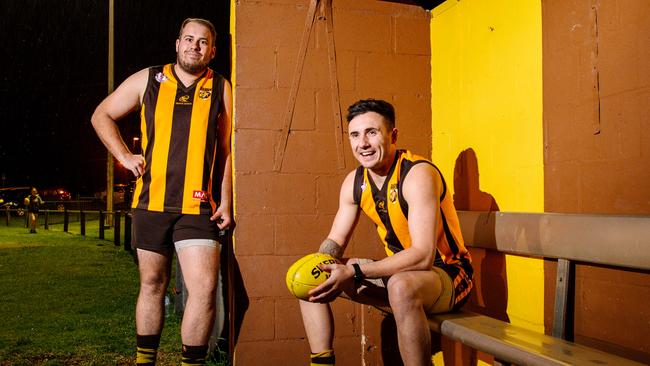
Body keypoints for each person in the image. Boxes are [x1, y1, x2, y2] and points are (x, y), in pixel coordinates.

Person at [91, 18, 233, 366]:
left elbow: (229, 150)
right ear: (177, 43)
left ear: (212, 51)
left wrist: (227, 200)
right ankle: (145, 361)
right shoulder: (149, 79)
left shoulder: (222, 88)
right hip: (150, 202)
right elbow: (102, 115)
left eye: (203, 42)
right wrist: (125, 155)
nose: (194, 46)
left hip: (198, 207)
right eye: (189, 39)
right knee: (152, 284)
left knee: (202, 290)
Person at [299, 99, 474, 366]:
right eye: (355, 135)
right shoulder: (355, 182)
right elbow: (335, 241)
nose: (363, 144)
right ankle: (322, 363)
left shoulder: (417, 175)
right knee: (306, 275)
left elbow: (422, 257)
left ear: (393, 135)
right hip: (398, 276)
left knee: (402, 287)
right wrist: (321, 263)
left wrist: (355, 272)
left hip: (447, 275)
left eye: (372, 132)